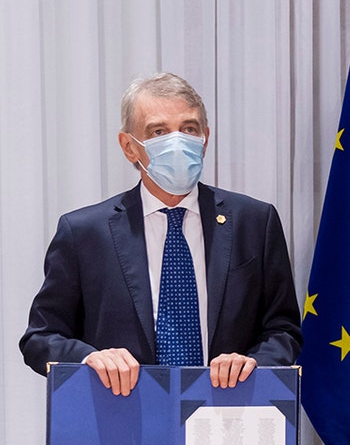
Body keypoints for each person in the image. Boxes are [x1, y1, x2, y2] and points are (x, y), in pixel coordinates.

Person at [20, 72, 302, 395]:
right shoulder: (84, 234)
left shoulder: (255, 222)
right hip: (125, 425)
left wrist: (253, 363)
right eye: (159, 131)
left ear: (205, 139)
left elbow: (284, 330)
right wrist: (91, 359)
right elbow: (39, 339)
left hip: (227, 420)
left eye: (189, 129)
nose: (178, 141)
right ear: (129, 147)